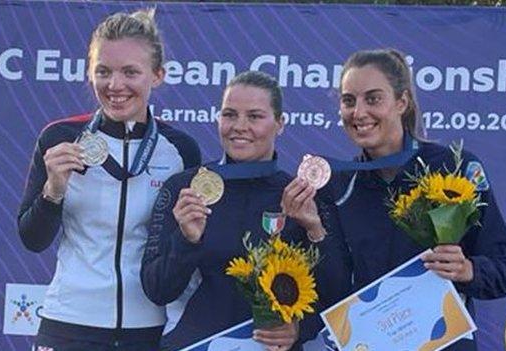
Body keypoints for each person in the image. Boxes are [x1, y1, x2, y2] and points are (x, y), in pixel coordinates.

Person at [17, 9, 200, 350]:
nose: (115, 85)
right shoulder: (59, 138)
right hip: (67, 323)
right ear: (90, 73)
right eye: (103, 71)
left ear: (157, 75)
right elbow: (32, 239)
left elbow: (182, 249)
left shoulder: (179, 150)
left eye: (131, 72)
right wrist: (53, 191)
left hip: (144, 328)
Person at [321, 49, 506, 350]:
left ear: (402, 102)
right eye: (349, 101)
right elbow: (330, 286)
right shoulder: (338, 185)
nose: (358, 112)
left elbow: (505, 267)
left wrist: (467, 270)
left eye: (373, 99)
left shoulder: (455, 168)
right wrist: (313, 229)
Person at [141, 71, 351, 351]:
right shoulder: (185, 189)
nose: (239, 126)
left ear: (280, 123)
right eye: (229, 115)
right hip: (197, 345)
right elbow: (157, 290)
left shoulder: (299, 196)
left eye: (254, 116)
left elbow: (336, 293)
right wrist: (186, 240)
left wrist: (301, 327)